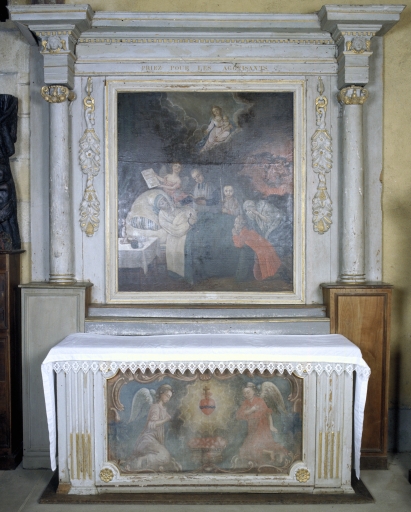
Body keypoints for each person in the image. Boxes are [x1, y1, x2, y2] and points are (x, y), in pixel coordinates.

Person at [235, 383, 288, 467]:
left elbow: (268, 413)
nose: (246, 395)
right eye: (244, 393)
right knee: (249, 448)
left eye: (248, 392)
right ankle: (269, 453)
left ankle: (270, 454)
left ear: (253, 391)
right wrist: (251, 410)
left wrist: (271, 426)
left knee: (256, 445)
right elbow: (239, 415)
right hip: (252, 427)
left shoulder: (260, 400)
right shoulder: (245, 403)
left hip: (262, 426)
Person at [133, 384, 181, 472]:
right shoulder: (155, 407)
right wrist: (165, 419)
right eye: (167, 395)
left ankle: (146, 462)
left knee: (166, 457)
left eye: (169, 397)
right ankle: (142, 459)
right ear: (161, 393)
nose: (168, 399)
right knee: (165, 457)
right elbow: (151, 424)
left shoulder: (163, 409)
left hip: (154, 440)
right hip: (147, 440)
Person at [156, 194, 197, 277]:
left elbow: (188, 211)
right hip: (176, 233)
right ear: (159, 207)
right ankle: (182, 273)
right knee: (181, 245)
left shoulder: (175, 206)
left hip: (190, 227)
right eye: (161, 203)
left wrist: (191, 219)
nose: (165, 202)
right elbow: (174, 230)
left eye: (164, 200)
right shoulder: (162, 217)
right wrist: (188, 224)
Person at [232, 216, 281, 281]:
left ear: (242, 224)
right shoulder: (245, 231)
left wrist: (234, 234)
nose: (234, 225)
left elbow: (239, 244)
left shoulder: (244, 232)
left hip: (263, 250)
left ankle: (266, 276)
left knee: (261, 272)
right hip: (264, 248)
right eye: (235, 223)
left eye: (236, 223)